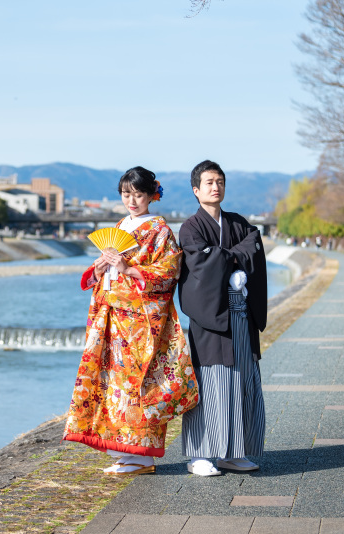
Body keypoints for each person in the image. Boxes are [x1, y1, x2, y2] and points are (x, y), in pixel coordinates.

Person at [64, 166, 199, 475]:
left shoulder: (160, 230)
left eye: (139, 195)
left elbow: (169, 272)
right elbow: (105, 274)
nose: (132, 201)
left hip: (138, 324)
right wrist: (100, 269)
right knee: (111, 384)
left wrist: (127, 269)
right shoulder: (121, 224)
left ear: (153, 195)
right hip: (111, 318)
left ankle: (142, 457)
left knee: (137, 387)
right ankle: (123, 453)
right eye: (127, 194)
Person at [178, 160, 267, 477]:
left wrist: (227, 257)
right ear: (196, 190)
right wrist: (235, 259)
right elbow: (202, 262)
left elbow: (254, 241)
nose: (216, 187)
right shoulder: (190, 228)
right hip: (209, 317)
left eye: (220, 181)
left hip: (240, 316)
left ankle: (235, 452)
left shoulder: (239, 223)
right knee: (210, 383)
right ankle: (200, 454)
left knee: (242, 379)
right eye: (209, 182)